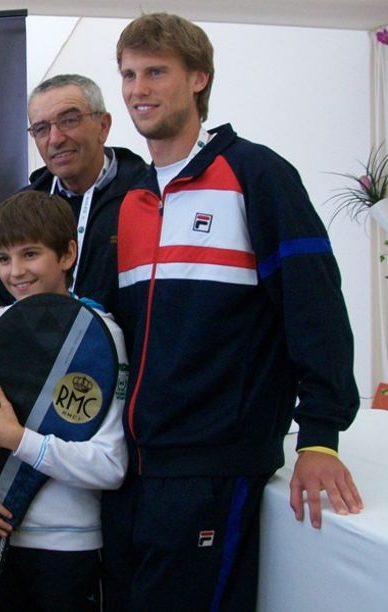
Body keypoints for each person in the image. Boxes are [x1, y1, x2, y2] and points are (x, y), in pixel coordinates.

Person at [104, 12, 364, 611]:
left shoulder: (257, 174)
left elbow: (316, 308)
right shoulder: (134, 199)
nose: (138, 89)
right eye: (128, 74)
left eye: (155, 72)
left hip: (213, 467)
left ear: (198, 78)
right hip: (133, 469)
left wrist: (320, 438)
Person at [0, 191, 129, 612]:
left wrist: (20, 439)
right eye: (4, 258)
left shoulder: (101, 333)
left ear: (67, 254)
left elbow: (110, 466)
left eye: (30, 254)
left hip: (69, 544)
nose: (16, 271)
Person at [24, 74, 146, 312]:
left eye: (69, 120)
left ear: (103, 126)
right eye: (41, 129)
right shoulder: (24, 209)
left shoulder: (149, 197)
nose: (55, 139)